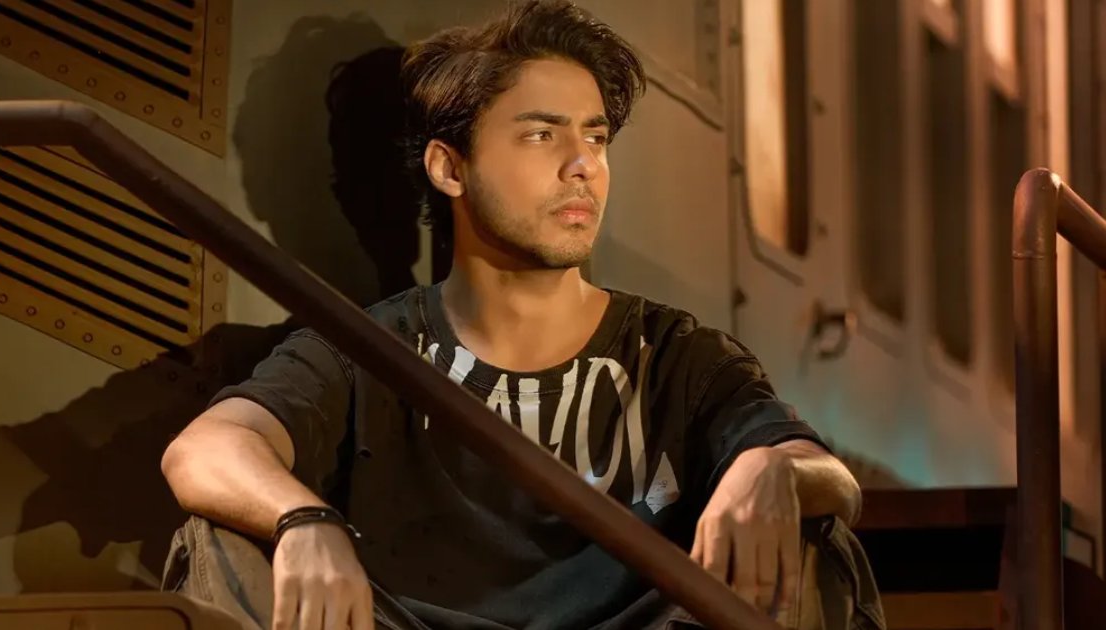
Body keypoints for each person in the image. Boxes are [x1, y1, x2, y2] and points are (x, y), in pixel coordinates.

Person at [160, 2, 876, 629]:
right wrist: (303, 519)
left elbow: (830, 478)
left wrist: (770, 467)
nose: (582, 165)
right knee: (218, 535)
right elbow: (206, 447)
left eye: (595, 137)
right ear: (450, 169)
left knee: (813, 536)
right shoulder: (369, 347)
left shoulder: (676, 354)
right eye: (542, 135)